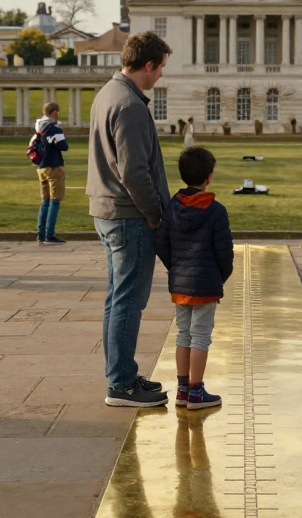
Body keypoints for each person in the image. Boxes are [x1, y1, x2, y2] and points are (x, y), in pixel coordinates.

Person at [87, 31, 173, 408]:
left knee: (116, 298)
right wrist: (157, 216)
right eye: (160, 69)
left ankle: (120, 373)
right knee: (128, 301)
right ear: (148, 64)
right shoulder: (131, 106)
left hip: (106, 211)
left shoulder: (108, 93)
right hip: (129, 215)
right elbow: (135, 172)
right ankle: (120, 385)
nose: (160, 77)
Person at [156, 146, 233, 411]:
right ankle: (197, 391)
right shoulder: (216, 210)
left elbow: (162, 243)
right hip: (206, 283)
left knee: (183, 334)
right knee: (201, 336)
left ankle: (182, 388)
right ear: (209, 176)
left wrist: (175, 267)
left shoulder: (172, 206)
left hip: (180, 282)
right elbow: (225, 252)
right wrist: (220, 277)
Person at [34, 101, 69, 246]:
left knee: (45, 202)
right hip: (54, 166)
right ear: (54, 112)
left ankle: (40, 234)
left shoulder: (39, 127)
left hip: (41, 167)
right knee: (55, 201)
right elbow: (64, 146)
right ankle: (50, 234)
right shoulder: (54, 129)